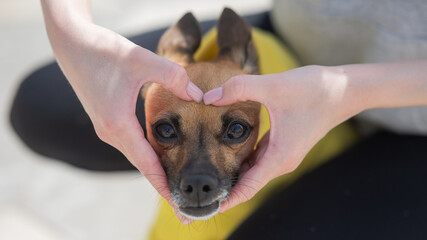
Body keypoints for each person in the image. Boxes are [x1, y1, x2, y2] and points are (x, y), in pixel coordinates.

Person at [10, 0, 427, 238]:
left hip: (416, 120)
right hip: (298, 39)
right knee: (41, 106)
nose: (197, 178)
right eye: (168, 130)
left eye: (234, 130)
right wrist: (71, 33)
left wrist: (347, 91)